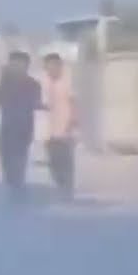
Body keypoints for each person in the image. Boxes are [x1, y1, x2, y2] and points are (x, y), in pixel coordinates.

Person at [0, 51, 42, 202]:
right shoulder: (5, 82)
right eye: (13, 64)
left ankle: (17, 192)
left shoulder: (32, 84)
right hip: (7, 128)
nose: (15, 67)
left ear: (26, 66)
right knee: (7, 161)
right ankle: (13, 190)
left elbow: (35, 102)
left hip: (23, 129)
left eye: (19, 64)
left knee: (18, 162)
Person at [42, 52, 77, 201]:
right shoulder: (45, 82)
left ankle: (67, 189)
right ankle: (60, 186)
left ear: (59, 66)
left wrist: (72, 122)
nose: (51, 70)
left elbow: (74, 103)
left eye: (53, 66)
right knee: (53, 161)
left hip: (65, 128)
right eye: (48, 67)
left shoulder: (67, 82)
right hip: (50, 130)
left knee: (66, 161)